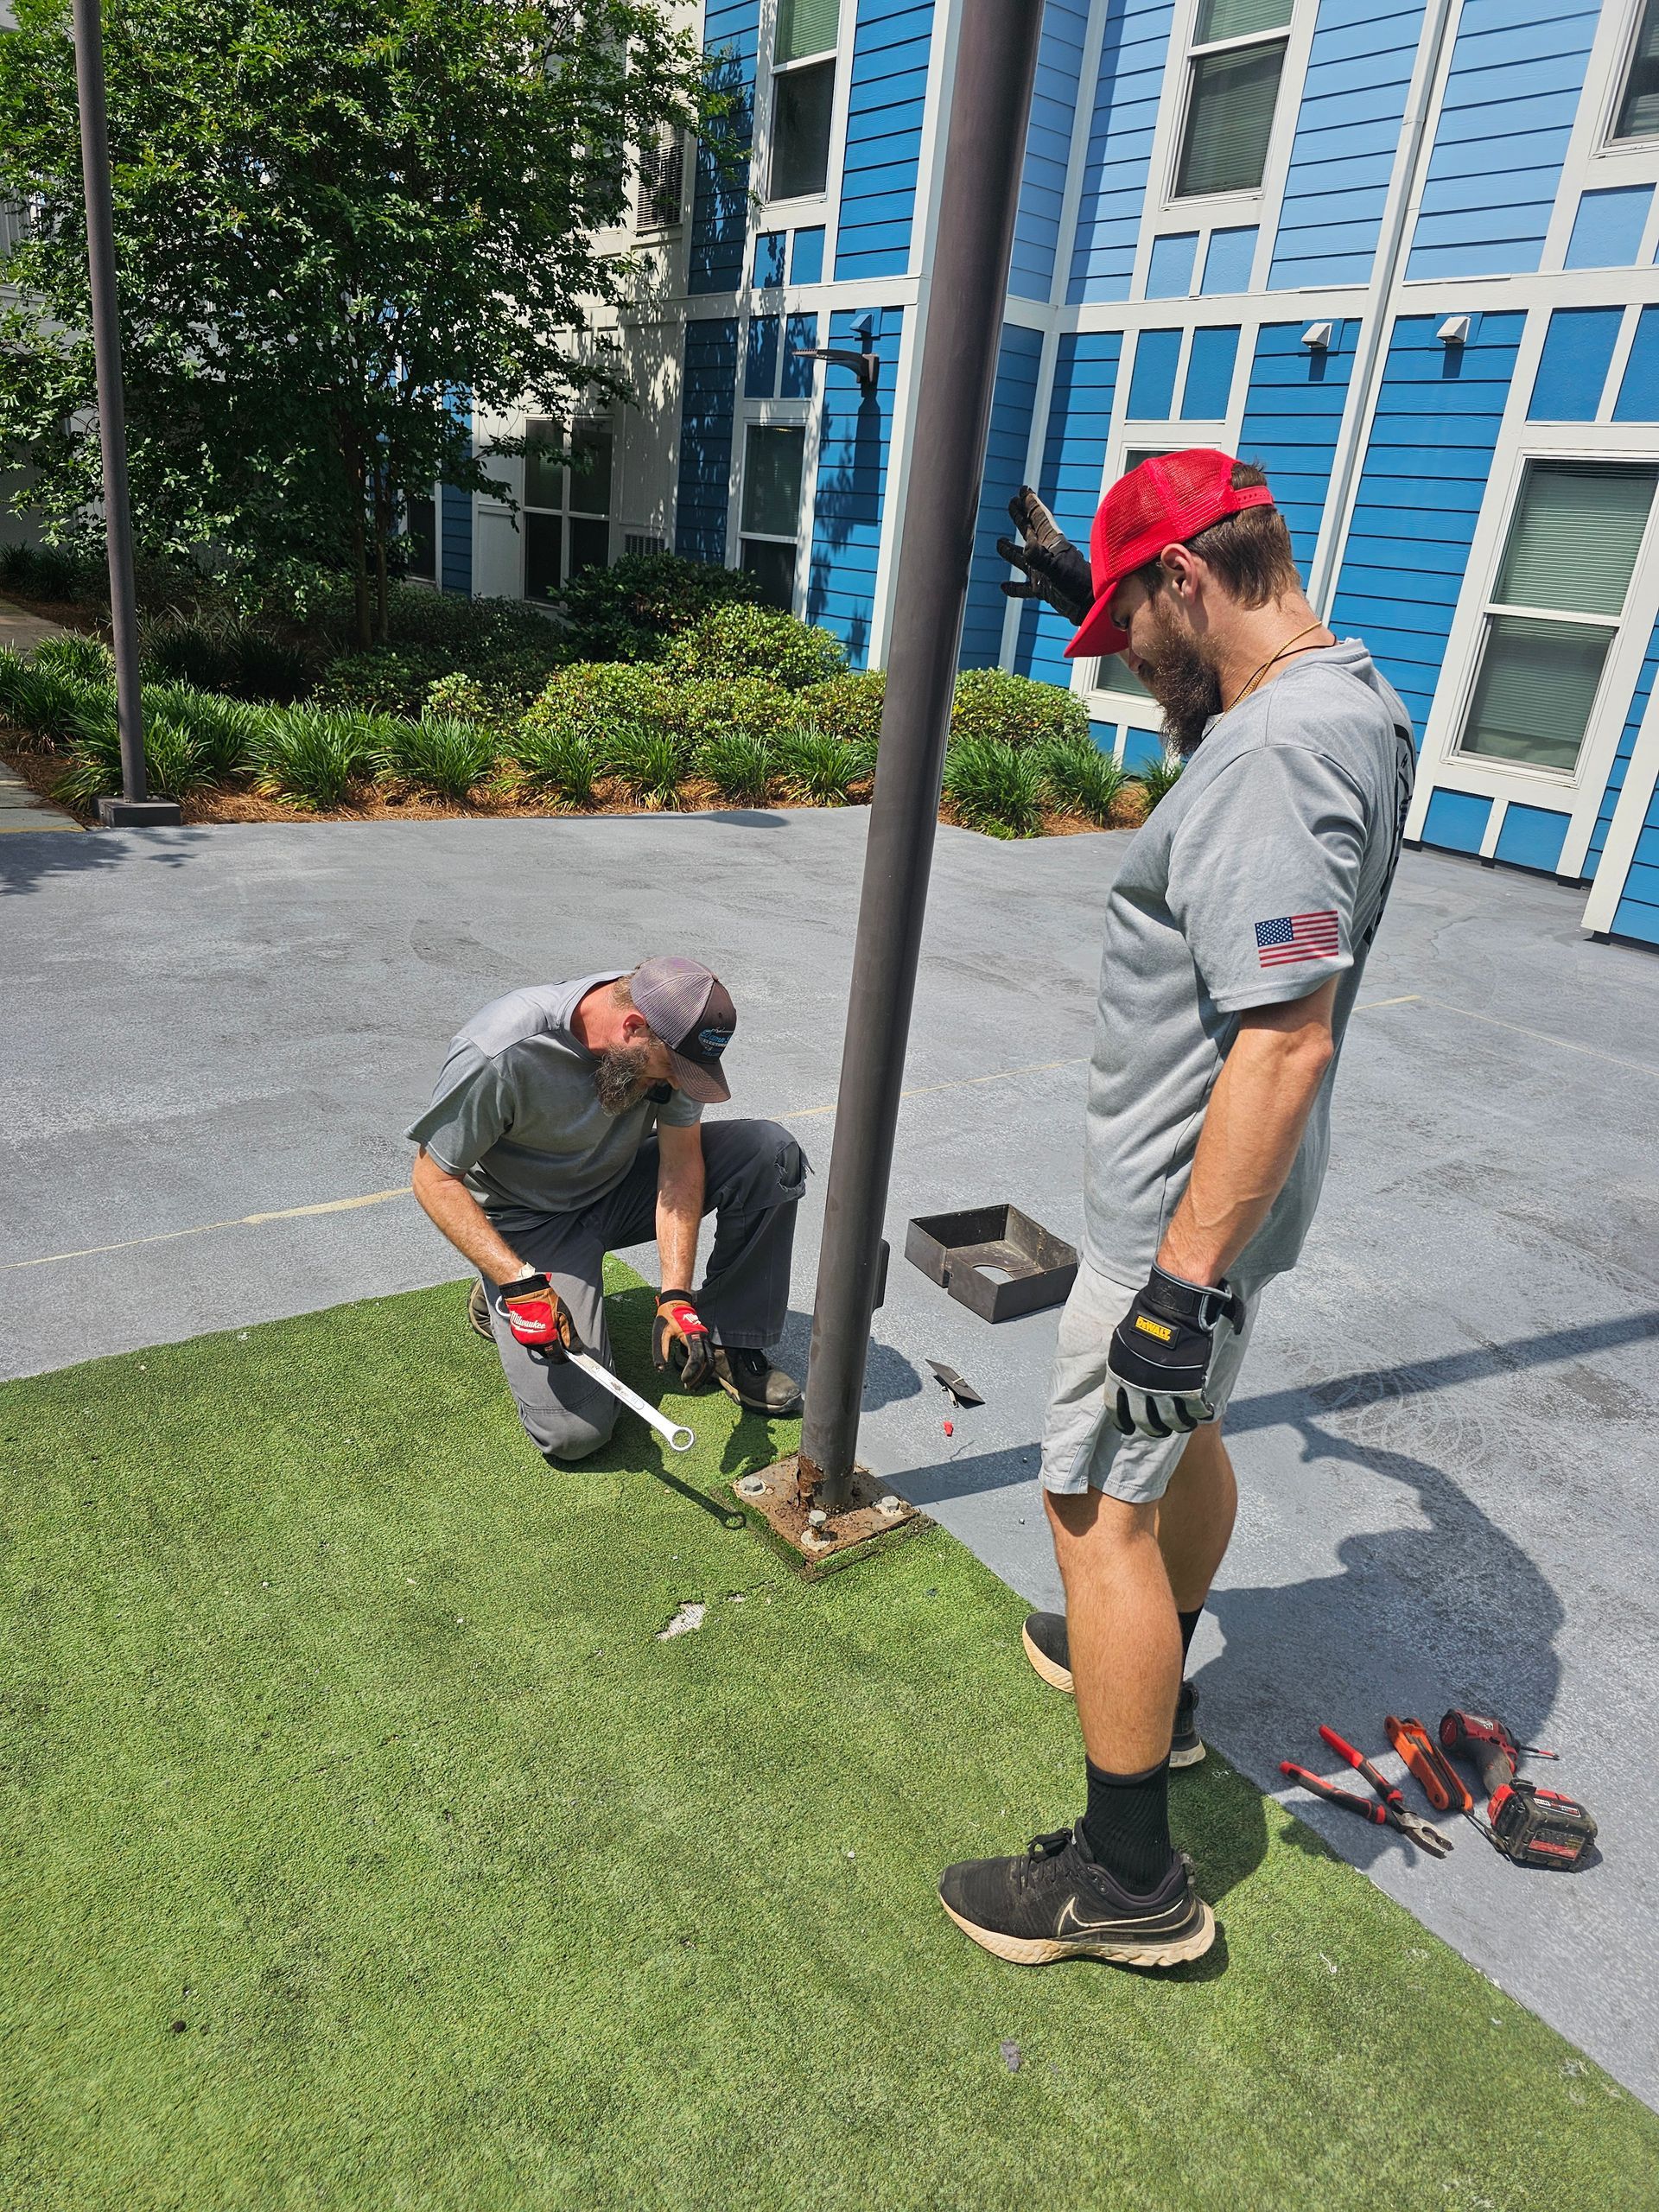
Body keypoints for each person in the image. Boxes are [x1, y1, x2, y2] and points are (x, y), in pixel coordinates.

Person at [938, 451, 1415, 1968]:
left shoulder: (1275, 759)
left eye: (1134, 626)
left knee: (1093, 1504)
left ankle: (1127, 1880)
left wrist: (1178, 1282)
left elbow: (1284, 1038)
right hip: (1228, 1199)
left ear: (1191, 581)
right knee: (1182, 1433)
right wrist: (1123, 606)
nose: (1124, 659)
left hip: (1178, 1215)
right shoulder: (1341, 694)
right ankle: (1161, 1679)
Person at [407, 957, 806, 1464]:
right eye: (671, 1071)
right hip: (529, 1217)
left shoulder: (671, 1030)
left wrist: (677, 1295)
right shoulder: (500, 1051)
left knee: (768, 1153)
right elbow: (433, 1178)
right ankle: (504, 1283)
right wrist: (516, 1279)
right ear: (634, 1028)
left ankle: (730, 1335)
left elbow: (680, 1165)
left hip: (617, 1186)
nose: (679, 1086)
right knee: (576, 1433)